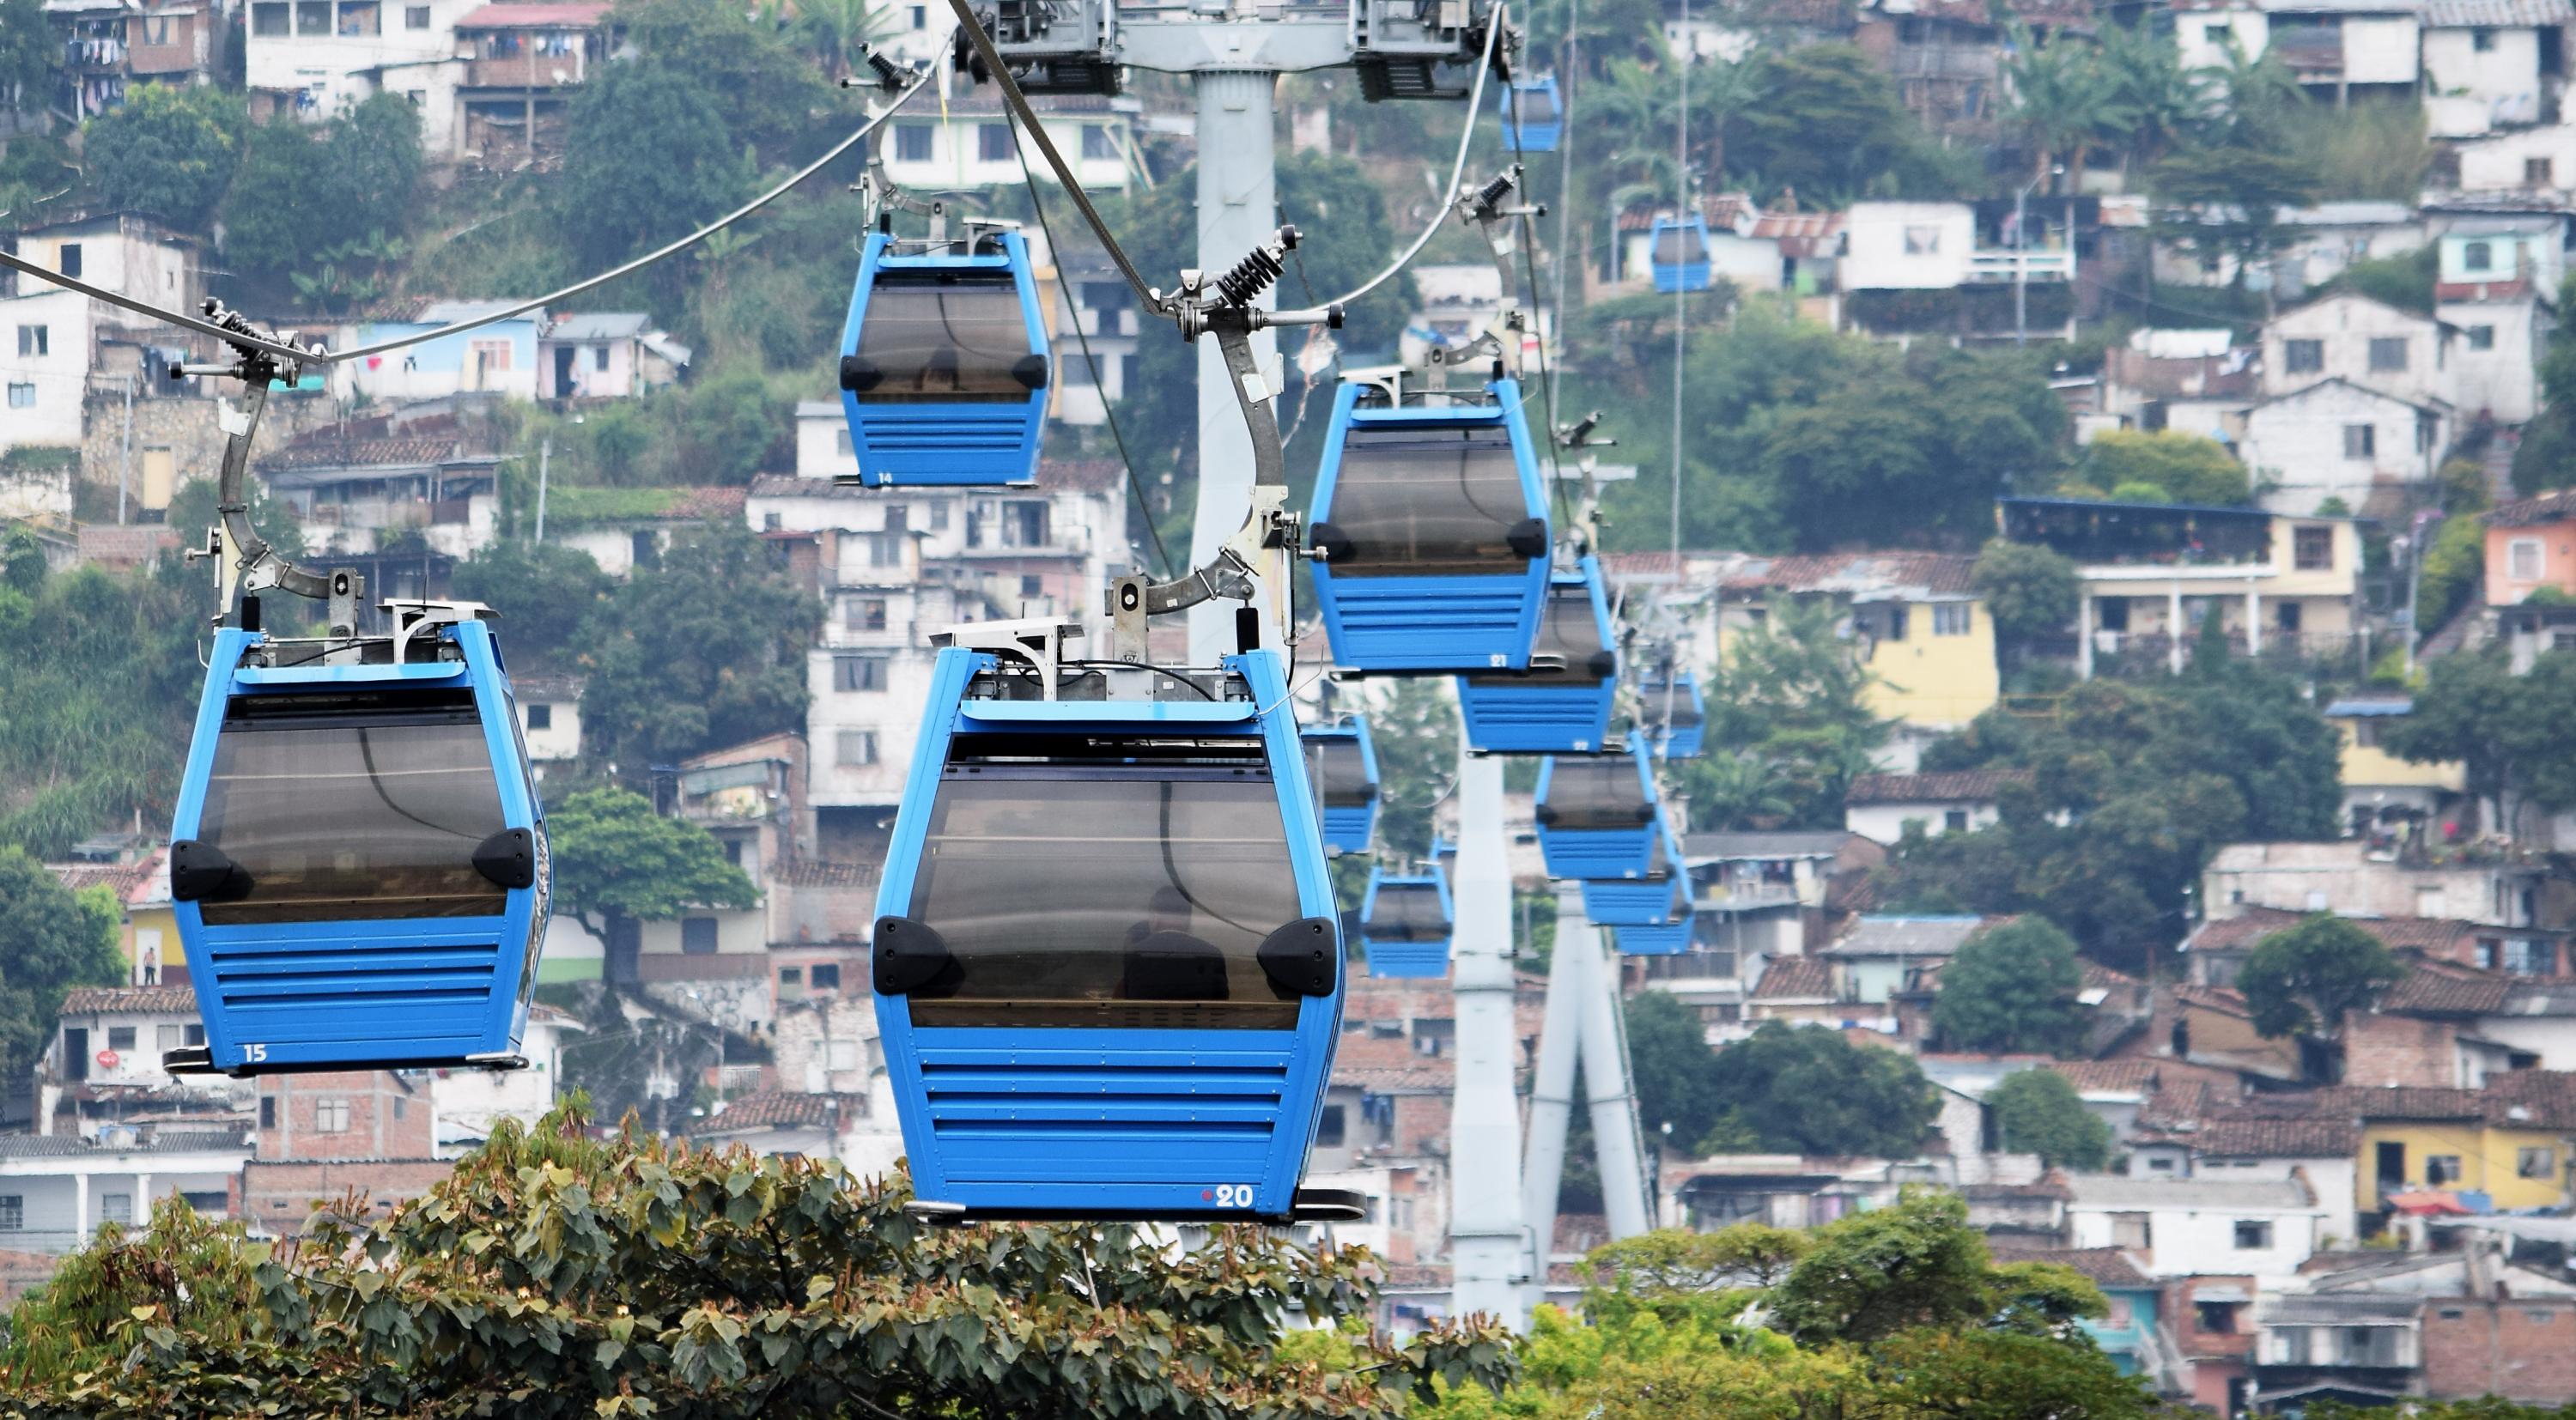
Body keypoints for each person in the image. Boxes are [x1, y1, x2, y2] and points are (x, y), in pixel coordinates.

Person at [1121, 885, 1228, 1001]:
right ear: (1188, 919)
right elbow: (1221, 1008)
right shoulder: (1213, 955)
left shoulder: (1135, 954)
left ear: (1155, 917)